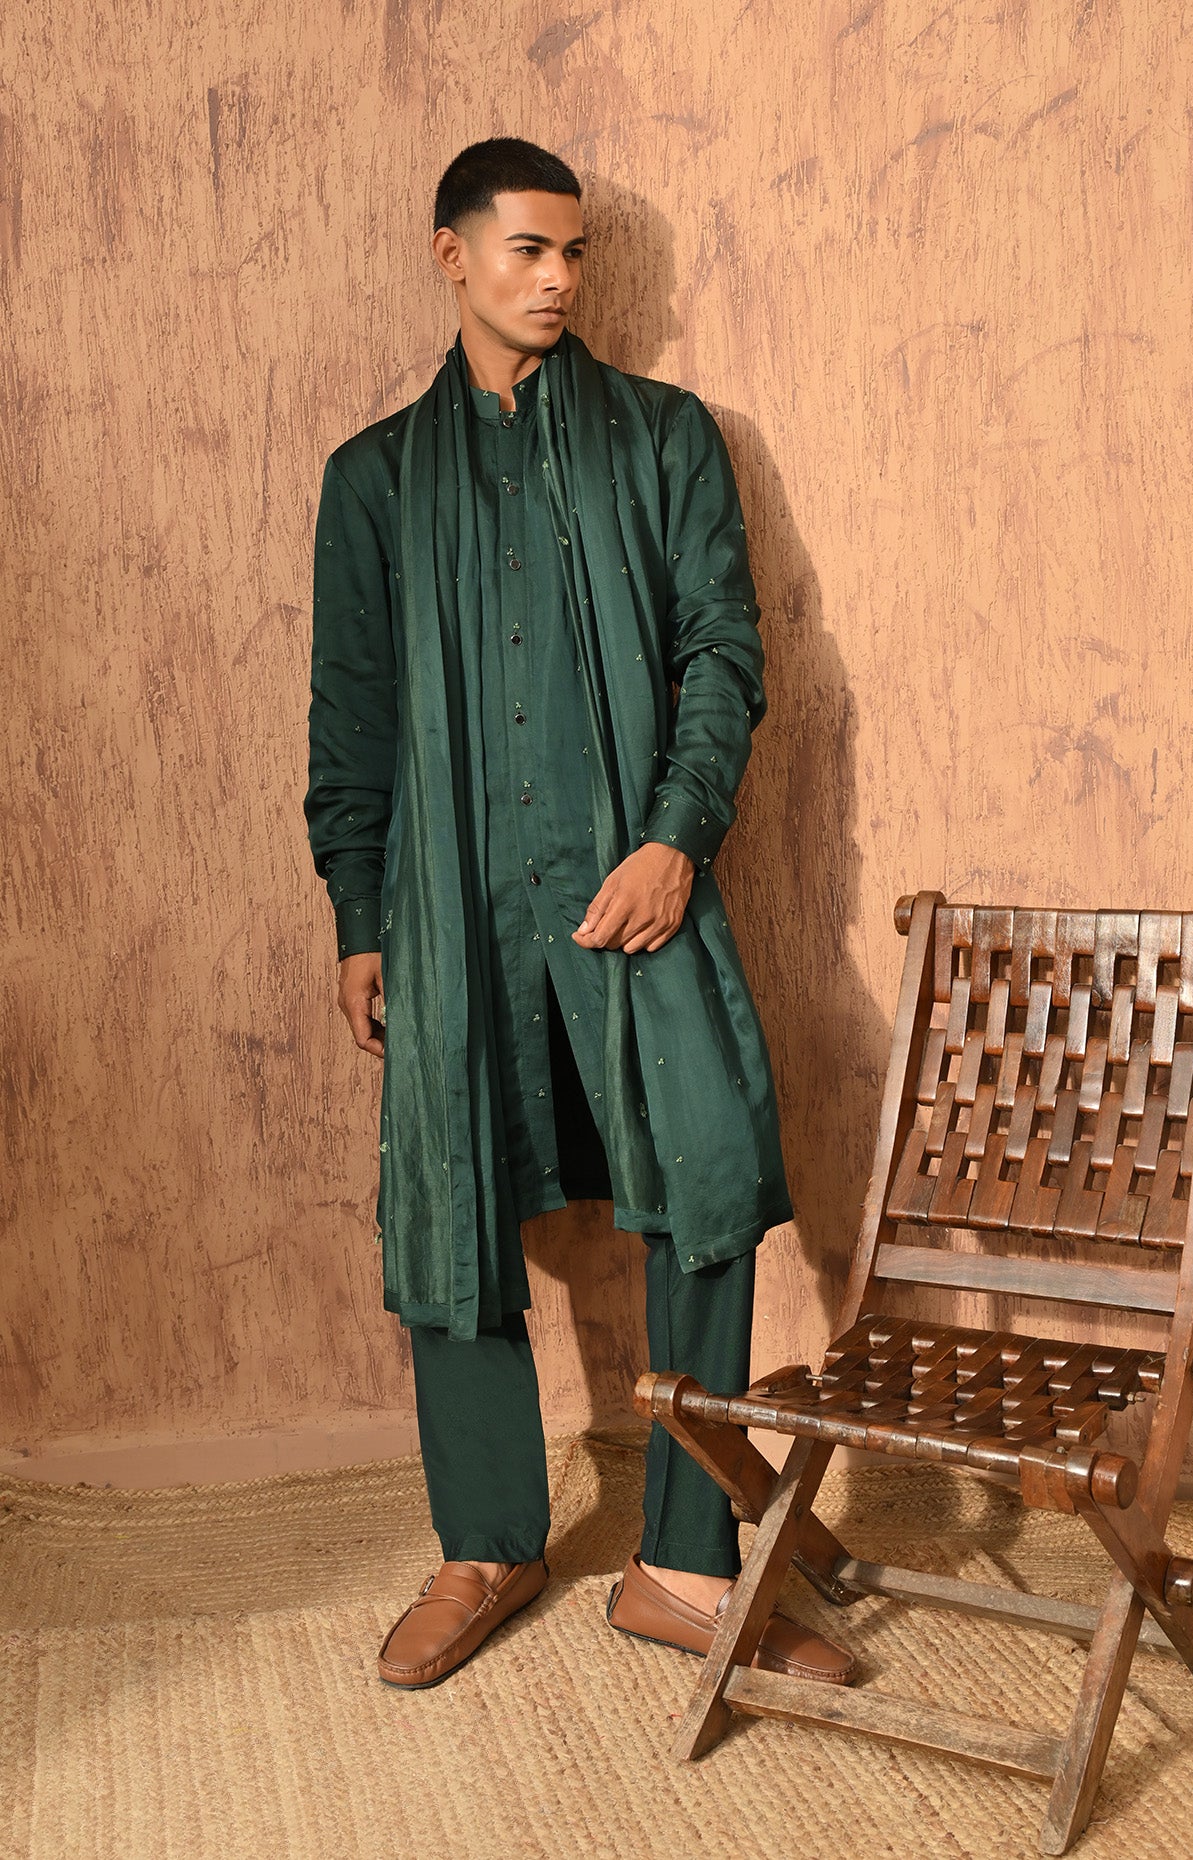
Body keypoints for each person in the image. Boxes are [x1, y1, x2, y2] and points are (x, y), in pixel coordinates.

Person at [303, 137, 855, 1691]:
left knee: (706, 1171)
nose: (558, 279)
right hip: (451, 906)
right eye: (529, 250)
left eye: (576, 253)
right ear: (452, 254)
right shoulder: (374, 479)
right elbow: (351, 714)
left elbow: (723, 652)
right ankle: (486, 1545)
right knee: (452, 1200)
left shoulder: (665, 439)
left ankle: (684, 1562)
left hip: (632, 890)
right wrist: (361, 913)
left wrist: (677, 841)